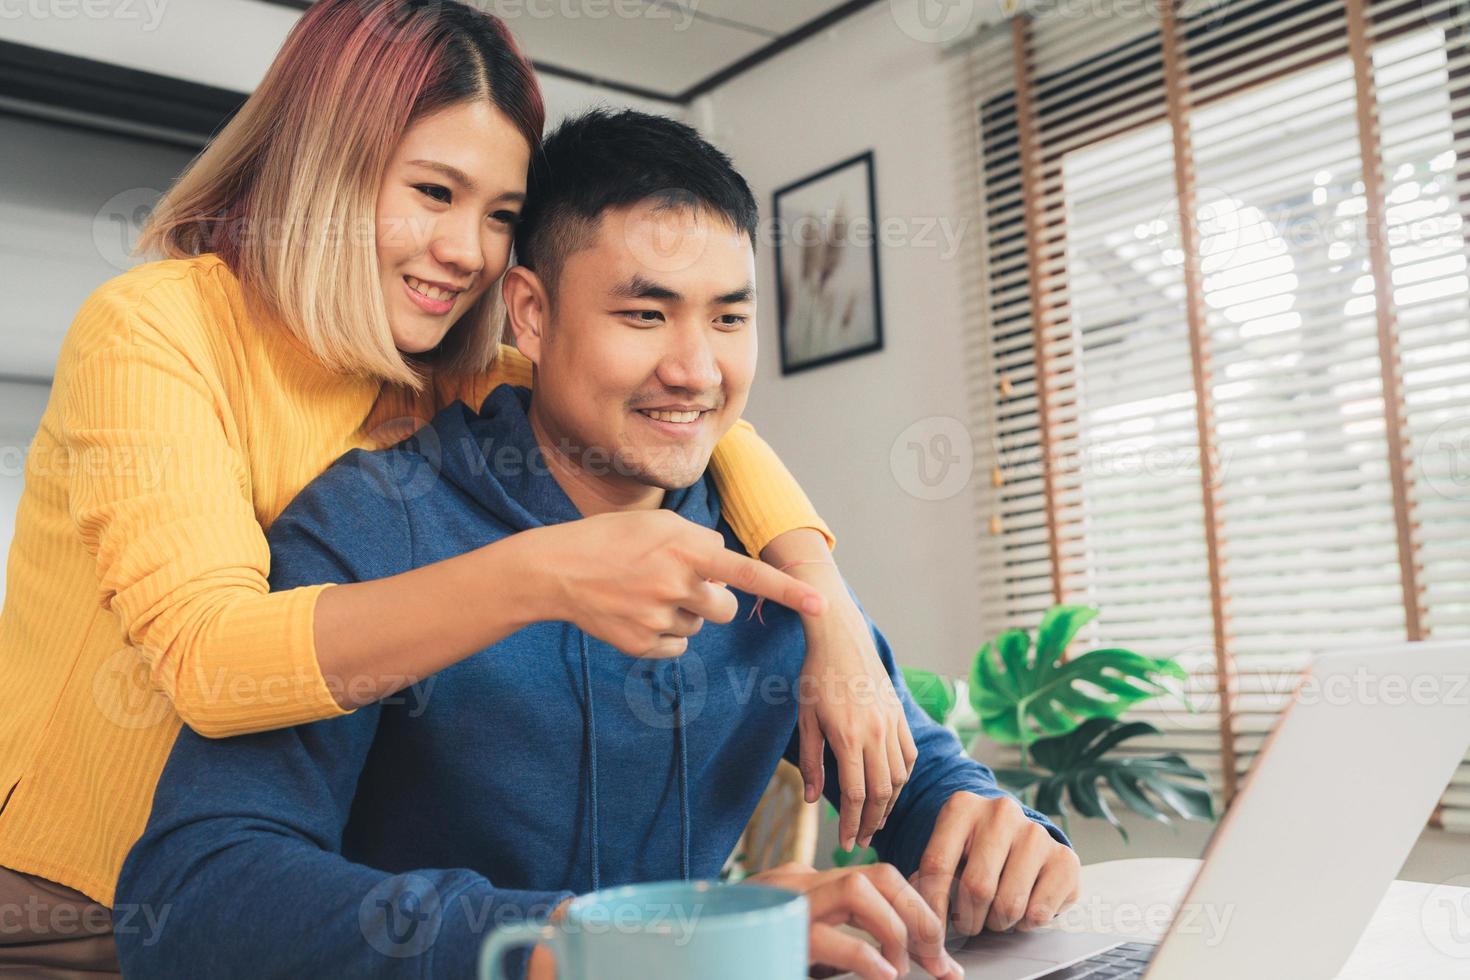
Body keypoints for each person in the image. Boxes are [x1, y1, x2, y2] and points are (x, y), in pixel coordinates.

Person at [0, 2, 915, 974]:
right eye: (434, 191)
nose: (468, 252)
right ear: (324, 165)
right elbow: (213, 662)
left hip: (263, 884)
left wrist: (832, 614)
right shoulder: (153, 328)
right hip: (68, 898)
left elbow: (702, 425)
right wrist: (541, 572)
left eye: (500, 216)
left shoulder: (436, 357)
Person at [113, 107, 1082, 980]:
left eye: (731, 316)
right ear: (530, 313)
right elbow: (194, 897)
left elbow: (923, 776)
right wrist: (595, 940)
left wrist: (997, 835)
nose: (696, 369)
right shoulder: (374, 521)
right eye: (644, 312)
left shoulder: (767, 546)